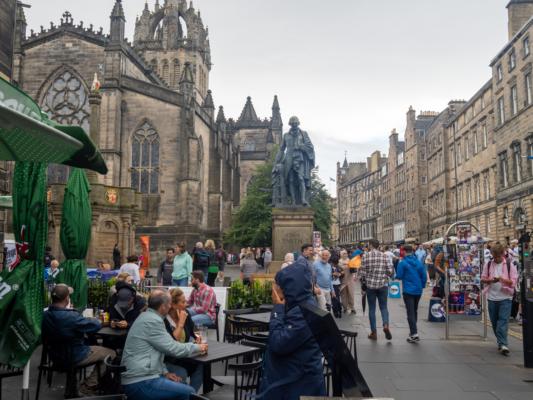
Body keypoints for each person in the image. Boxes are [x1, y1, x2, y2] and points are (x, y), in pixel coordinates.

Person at [258, 249, 326, 400]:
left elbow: (278, 343)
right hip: (292, 381)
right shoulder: (302, 305)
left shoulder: (302, 312)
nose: (274, 289)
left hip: (295, 385)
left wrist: (277, 310)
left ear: (287, 288)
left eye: (277, 285)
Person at [121, 290, 207, 399]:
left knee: (183, 385)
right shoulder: (153, 321)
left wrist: (165, 373)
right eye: (169, 304)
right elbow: (173, 348)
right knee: (189, 392)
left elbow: (156, 352)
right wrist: (197, 347)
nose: (170, 306)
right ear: (163, 307)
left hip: (140, 376)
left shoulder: (146, 316)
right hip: (140, 381)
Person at [42, 284, 116, 394]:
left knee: (76, 344)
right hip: (74, 356)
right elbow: (95, 325)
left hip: (55, 357)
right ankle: (88, 385)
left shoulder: (45, 315)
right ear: (67, 298)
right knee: (111, 353)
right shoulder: (71, 316)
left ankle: (72, 389)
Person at [481, 243, 518, 355]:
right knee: (494, 323)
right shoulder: (488, 264)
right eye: (494, 256)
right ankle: (501, 342)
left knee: (502, 322)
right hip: (492, 298)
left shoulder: (509, 265)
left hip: (505, 298)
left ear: (502, 254)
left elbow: (513, 282)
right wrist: (491, 280)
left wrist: (502, 279)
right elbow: (483, 279)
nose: (496, 259)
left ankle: (503, 344)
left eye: (497, 256)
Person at [164, 288, 203, 392]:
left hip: (183, 355)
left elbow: (193, 331)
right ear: (173, 305)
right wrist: (180, 323)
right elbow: (171, 343)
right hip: (168, 358)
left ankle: (191, 395)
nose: (186, 304)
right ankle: (186, 393)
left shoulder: (185, 313)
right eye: (183, 302)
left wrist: (197, 337)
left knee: (202, 366)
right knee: (181, 372)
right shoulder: (164, 320)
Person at [360, 239, 394, 340]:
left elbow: (362, 273)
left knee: (372, 309)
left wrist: (363, 285)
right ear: (378, 246)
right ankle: (385, 325)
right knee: (384, 307)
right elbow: (390, 272)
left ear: (370, 245)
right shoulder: (385, 256)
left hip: (370, 286)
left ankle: (374, 332)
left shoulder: (365, 256)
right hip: (383, 285)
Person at [395, 244, 427, 343]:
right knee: (415, 311)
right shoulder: (418, 262)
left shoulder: (403, 263)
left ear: (404, 252)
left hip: (408, 290)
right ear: (412, 251)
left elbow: (399, 276)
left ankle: (414, 334)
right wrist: (421, 286)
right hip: (418, 290)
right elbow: (424, 276)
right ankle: (413, 332)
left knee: (410, 312)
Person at [339, 249, 355, 314]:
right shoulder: (339, 262)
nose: (345, 255)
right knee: (343, 295)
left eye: (346, 253)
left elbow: (354, 269)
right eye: (343, 253)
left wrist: (350, 265)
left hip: (350, 280)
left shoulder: (350, 260)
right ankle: (345, 307)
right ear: (340, 255)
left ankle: (352, 307)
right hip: (342, 281)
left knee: (351, 294)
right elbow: (338, 270)